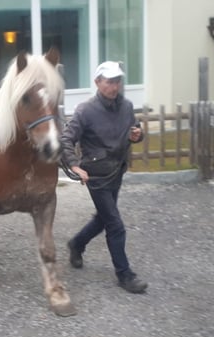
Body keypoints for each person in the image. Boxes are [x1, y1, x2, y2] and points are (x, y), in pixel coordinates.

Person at [60, 61, 148, 294]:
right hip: (96, 175)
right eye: (109, 81)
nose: (114, 86)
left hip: (117, 170)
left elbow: (135, 130)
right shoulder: (85, 110)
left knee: (103, 219)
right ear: (97, 82)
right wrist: (74, 165)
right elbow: (66, 138)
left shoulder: (126, 106)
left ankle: (76, 244)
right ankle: (125, 275)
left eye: (117, 81)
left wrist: (138, 135)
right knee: (115, 224)